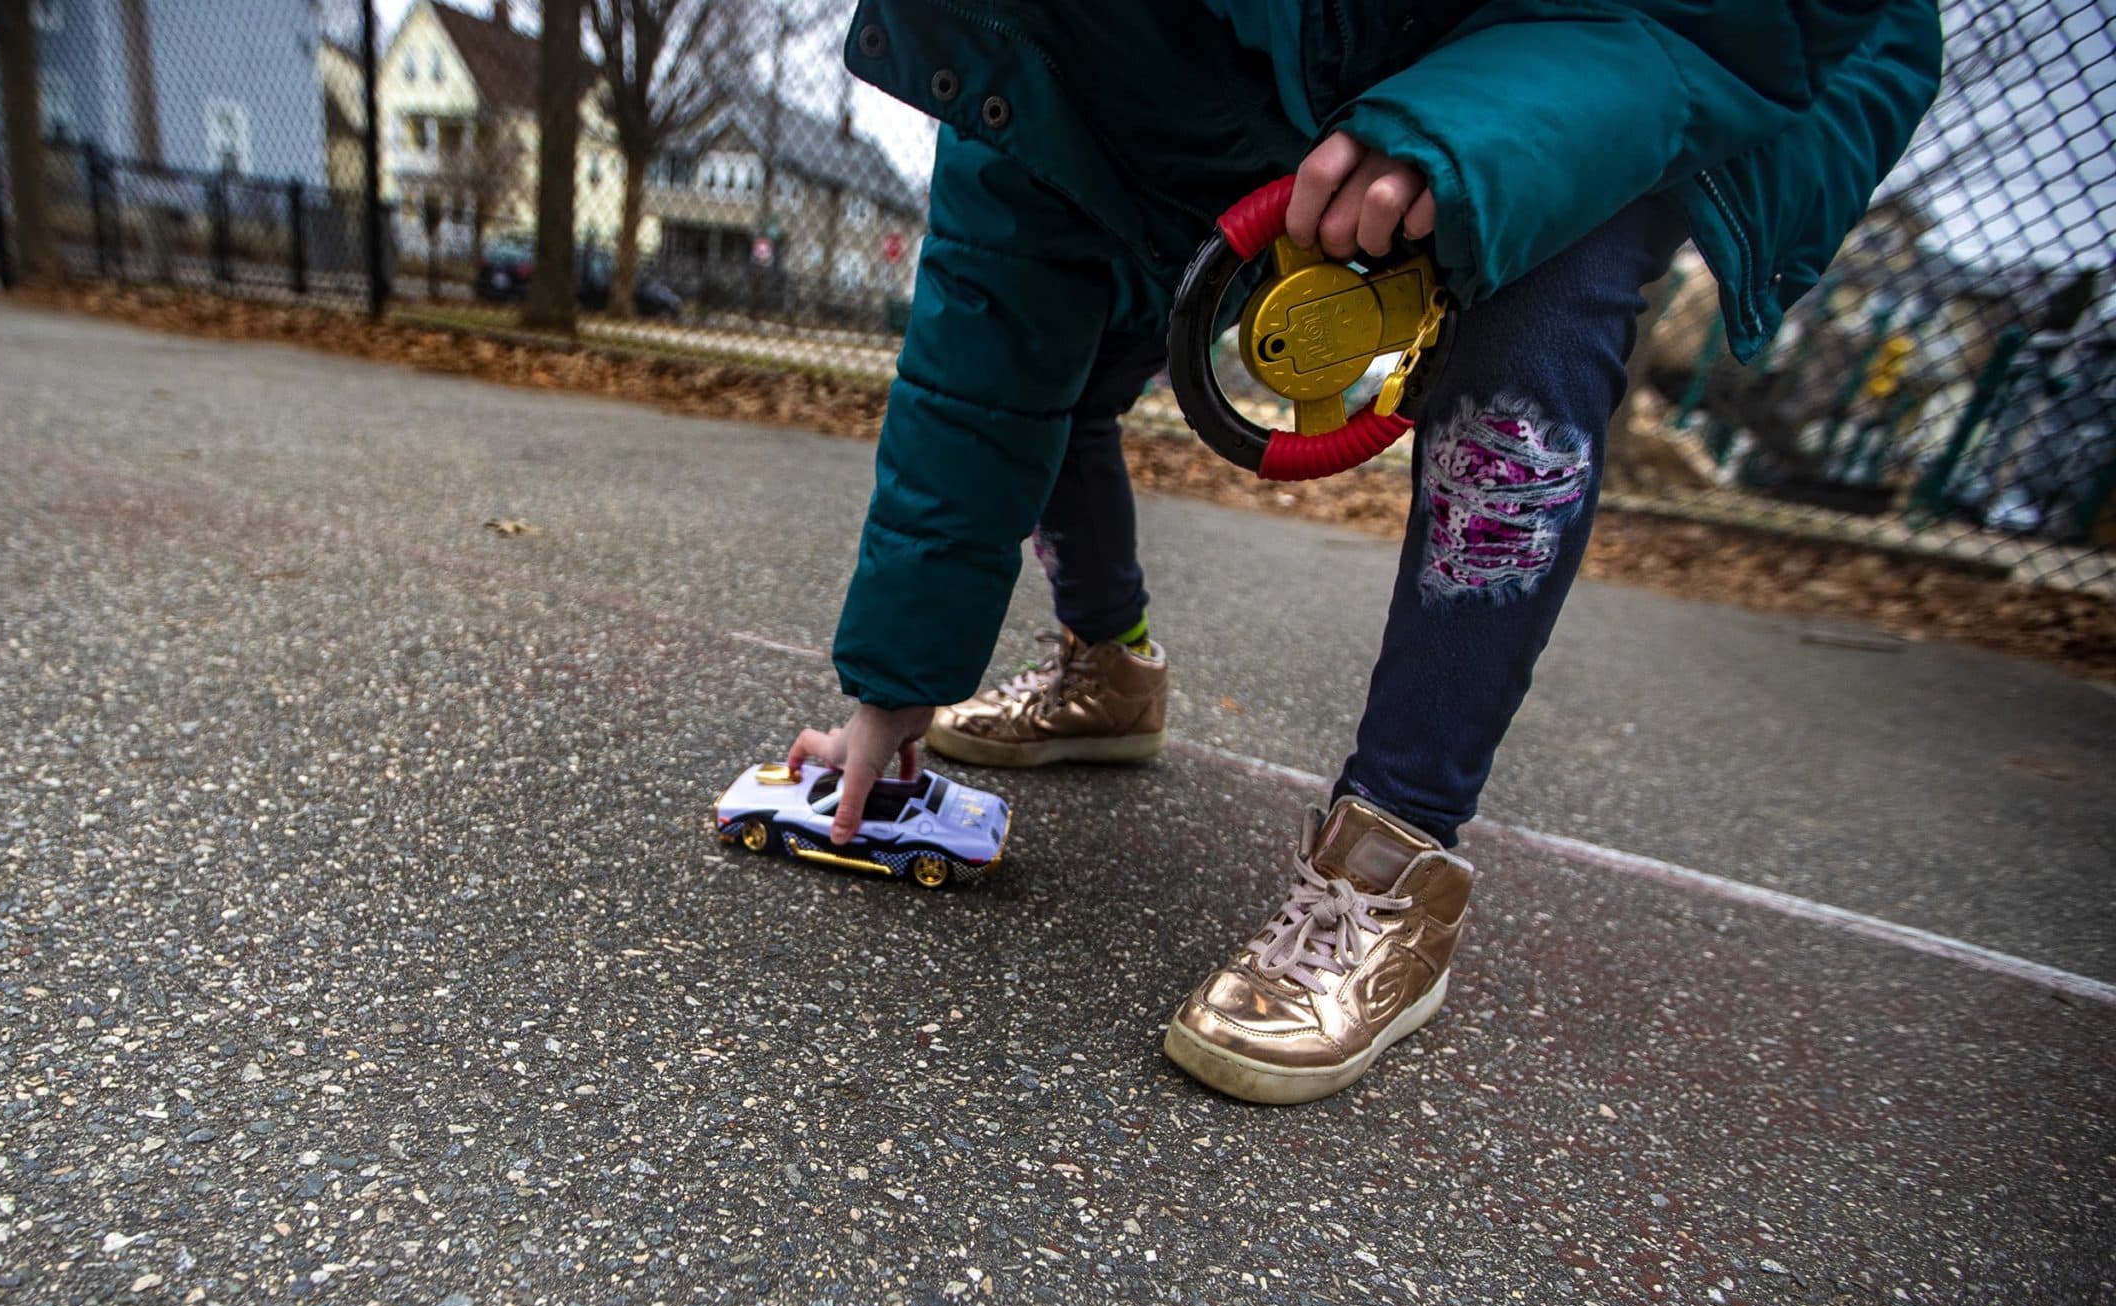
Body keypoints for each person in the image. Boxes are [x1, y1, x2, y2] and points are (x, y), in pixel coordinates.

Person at [787, 0, 1941, 1104]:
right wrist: (900, 677)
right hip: (1287, 63)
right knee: (1068, 339)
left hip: (1673, 29)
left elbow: (1688, 21)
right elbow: (986, 335)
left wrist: (1463, 132)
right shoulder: (1003, 28)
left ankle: (1391, 866)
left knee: (1532, 302)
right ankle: (1110, 669)